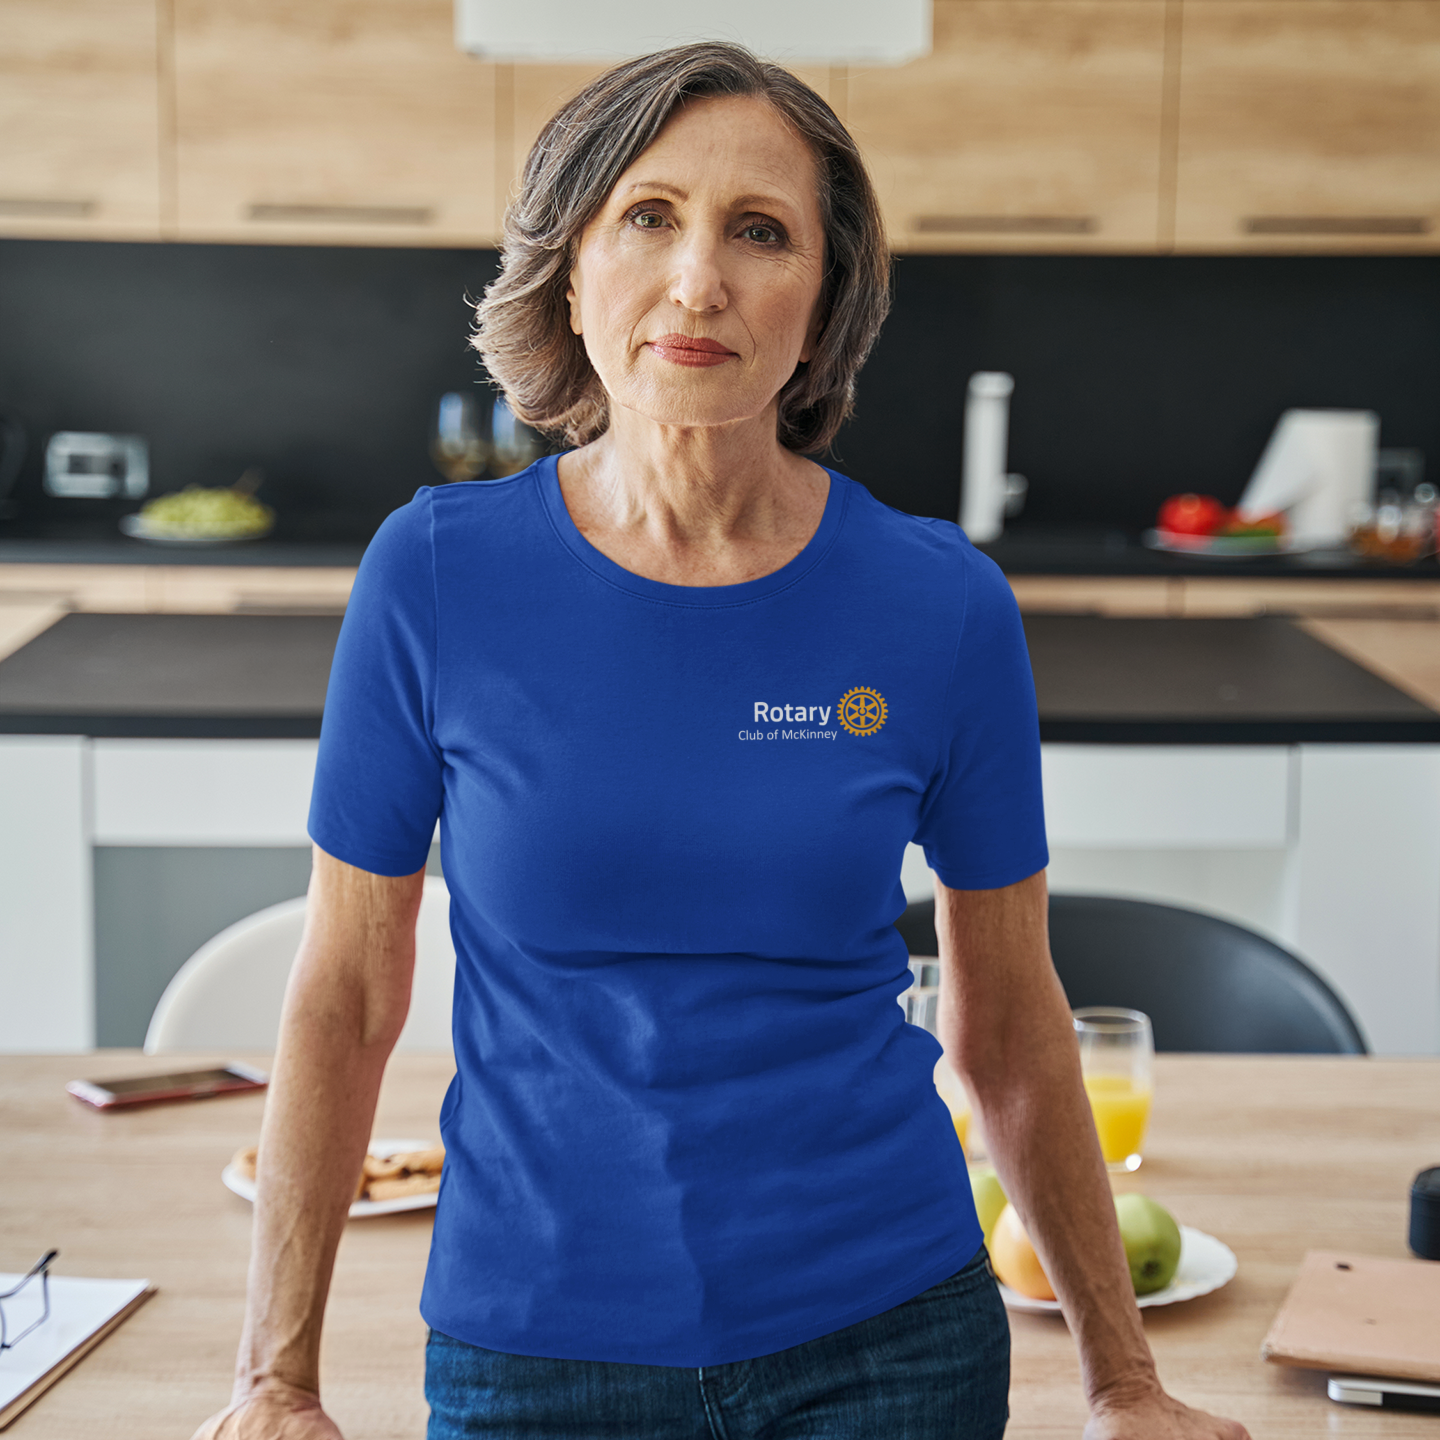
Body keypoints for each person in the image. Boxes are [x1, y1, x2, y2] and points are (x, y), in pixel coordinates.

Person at [193, 42, 1252, 1440]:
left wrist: (1126, 1384)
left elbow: (1011, 1029)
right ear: (571, 269)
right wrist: (276, 1381)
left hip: (890, 1342)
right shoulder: (436, 577)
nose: (699, 281)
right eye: (648, 216)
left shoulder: (940, 605)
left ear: (822, 303)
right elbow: (344, 997)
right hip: (534, 1352)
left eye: (761, 233)